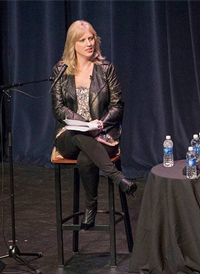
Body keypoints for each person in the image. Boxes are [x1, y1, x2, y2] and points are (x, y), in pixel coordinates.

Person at [51, 20, 137, 230]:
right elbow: (58, 108)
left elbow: (117, 106)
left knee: (85, 157)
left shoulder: (106, 69)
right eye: (83, 40)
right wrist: (85, 124)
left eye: (91, 38)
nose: (89, 43)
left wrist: (100, 124)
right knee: (79, 135)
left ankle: (91, 206)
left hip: (102, 134)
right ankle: (117, 177)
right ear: (73, 44)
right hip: (69, 136)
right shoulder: (60, 71)